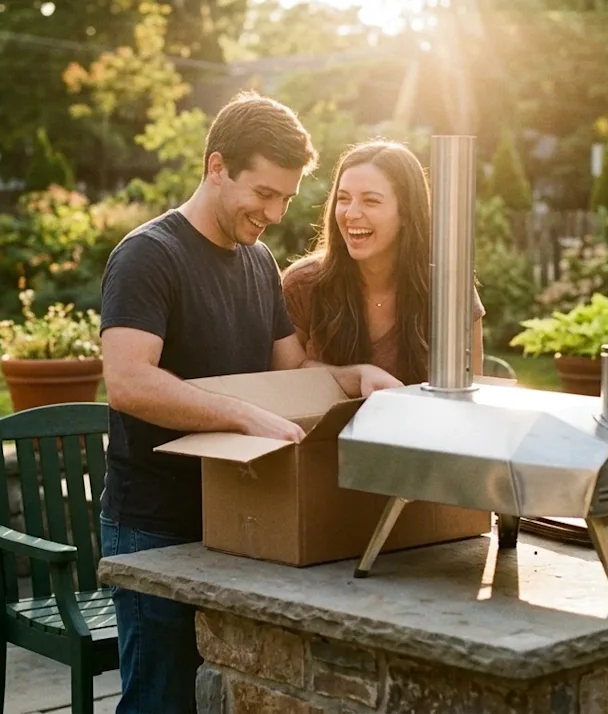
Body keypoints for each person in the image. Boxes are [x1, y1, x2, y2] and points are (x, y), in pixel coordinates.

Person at [98, 92, 403, 713]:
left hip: (234, 516)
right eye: (263, 193)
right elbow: (128, 380)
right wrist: (239, 411)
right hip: (154, 522)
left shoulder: (259, 262)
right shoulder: (148, 256)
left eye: (286, 199)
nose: (274, 212)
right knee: (160, 699)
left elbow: (289, 370)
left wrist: (353, 377)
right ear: (217, 167)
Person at [282, 140, 485, 385]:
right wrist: (355, 377)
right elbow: (285, 378)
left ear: (406, 214)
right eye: (344, 199)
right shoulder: (303, 284)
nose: (351, 213)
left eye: (371, 201)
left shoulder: (449, 288)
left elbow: (471, 387)